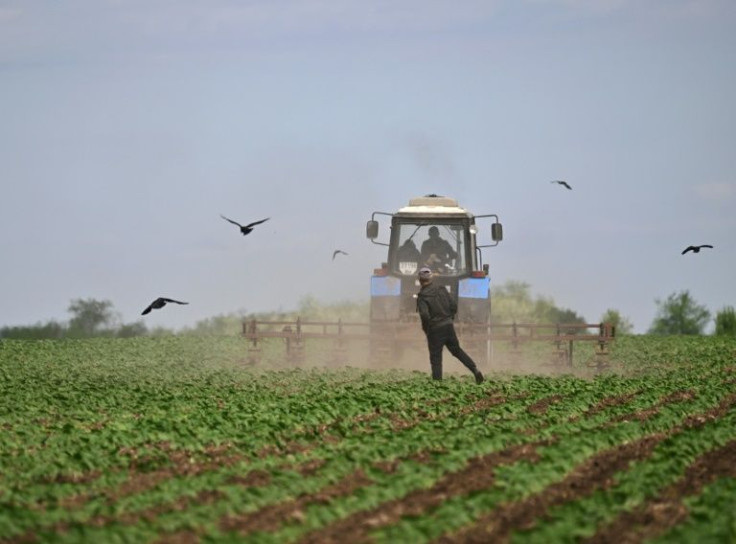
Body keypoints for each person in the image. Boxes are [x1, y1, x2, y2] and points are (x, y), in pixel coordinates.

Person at [415, 267, 484, 383]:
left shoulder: (422, 297)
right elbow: (453, 306)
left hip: (435, 329)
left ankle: (437, 384)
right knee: (457, 351)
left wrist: (427, 330)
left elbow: (425, 316)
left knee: (436, 357)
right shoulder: (442, 289)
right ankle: (475, 370)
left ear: (420, 280)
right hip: (448, 326)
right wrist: (449, 319)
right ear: (431, 278)